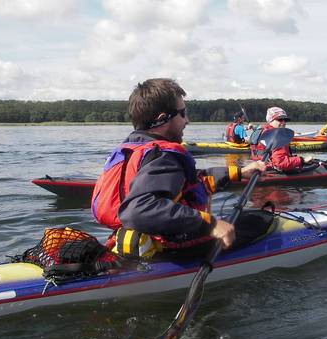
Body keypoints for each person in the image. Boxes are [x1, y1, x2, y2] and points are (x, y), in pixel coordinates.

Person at [91, 78, 266, 259]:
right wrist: (211, 224)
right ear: (163, 119)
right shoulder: (163, 155)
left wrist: (240, 172)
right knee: (257, 220)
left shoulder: (132, 150)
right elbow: (138, 211)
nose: (187, 120)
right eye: (182, 113)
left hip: (129, 240)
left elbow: (192, 184)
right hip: (171, 244)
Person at [250, 106, 313, 173]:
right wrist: (302, 160)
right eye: (280, 120)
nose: (284, 122)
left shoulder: (260, 130)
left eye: (285, 120)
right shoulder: (278, 136)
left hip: (257, 167)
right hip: (272, 171)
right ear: (271, 120)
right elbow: (280, 163)